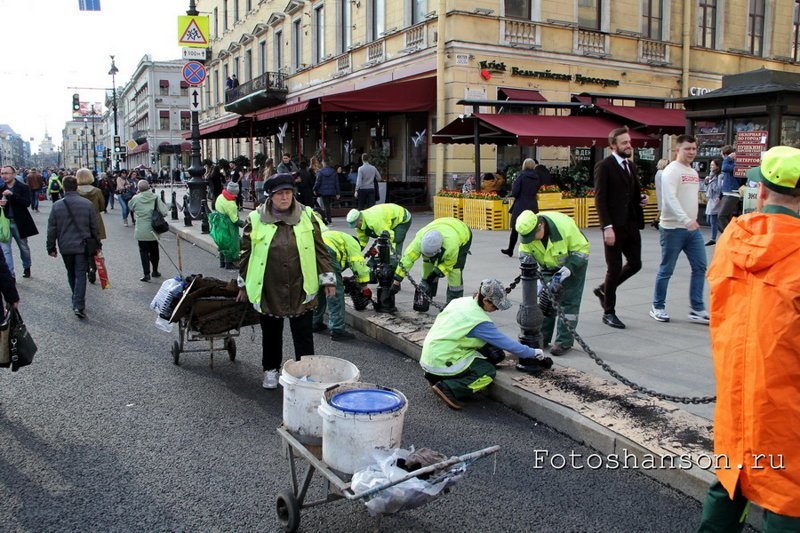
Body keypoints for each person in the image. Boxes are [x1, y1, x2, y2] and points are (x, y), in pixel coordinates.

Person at [697, 146, 800, 531]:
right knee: (788, 496)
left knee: (730, 478)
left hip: (736, 393)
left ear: (761, 190)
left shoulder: (731, 241)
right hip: (786, 400)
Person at [236, 173, 335, 389]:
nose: (285, 197)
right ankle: (270, 370)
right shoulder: (255, 219)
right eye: (280, 193)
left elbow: (321, 251)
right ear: (270, 196)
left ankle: (305, 374)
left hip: (301, 285)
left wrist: (328, 280)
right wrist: (242, 284)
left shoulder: (308, 216)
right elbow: (245, 253)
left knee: (303, 334)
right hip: (268, 286)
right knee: (271, 333)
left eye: (288, 193)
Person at [420, 279, 548, 409]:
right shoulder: (480, 322)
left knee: (490, 348)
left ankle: (436, 377)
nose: (497, 309)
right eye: (495, 306)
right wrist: (533, 352)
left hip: (428, 358)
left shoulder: (459, 302)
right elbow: (508, 344)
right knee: (487, 371)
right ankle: (450, 388)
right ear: (486, 300)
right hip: (441, 361)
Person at [649, 134, 709, 325]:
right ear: (677, 150)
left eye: (694, 148)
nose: (691, 152)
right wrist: (685, 219)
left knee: (700, 267)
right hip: (672, 228)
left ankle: (697, 309)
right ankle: (657, 307)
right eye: (687, 149)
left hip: (692, 229)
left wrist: (692, 220)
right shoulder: (671, 171)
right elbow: (670, 199)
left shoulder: (691, 172)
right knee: (667, 269)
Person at [592, 127, 646, 330]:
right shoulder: (604, 166)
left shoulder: (631, 166)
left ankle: (603, 290)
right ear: (613, 146)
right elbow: (600, 199)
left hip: (631, 223)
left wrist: (640, 199)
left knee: (635, 263)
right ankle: (609, 312)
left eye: (629, 142)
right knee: (613, 269)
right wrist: (607, 227)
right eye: (624, 143)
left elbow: (631, 194)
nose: (628, 145)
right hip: (613, 226)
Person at [515, 210, 590, 356]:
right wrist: (534, 279)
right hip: (547, 266)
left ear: (541, 226)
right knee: (545, 300)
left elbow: (582, 250)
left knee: (569, 303)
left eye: (533, 236)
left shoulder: (565, 226)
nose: (531, 240)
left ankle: (564, 342)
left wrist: (568, 269)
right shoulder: (527, 233)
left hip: (572, 265)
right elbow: (524, 255)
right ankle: (543, 336)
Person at [46, 176, 99, 319]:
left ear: (63, 187)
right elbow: (94, 227)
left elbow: (52, 228)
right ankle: (78, 304)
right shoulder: (87, 204)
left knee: (71, 273)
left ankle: (75, 299)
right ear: (76, 187)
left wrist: (51, 246)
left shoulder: (57, 205)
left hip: (65, 245)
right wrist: (97, 243)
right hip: (82, 245)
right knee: (81, 274)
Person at [392, 217, 472, 304]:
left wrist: (436, 273)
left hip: (461, 232)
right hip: (441, 224)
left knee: (455, 272)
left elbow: (449, 263)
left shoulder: (451, 246)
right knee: (427, 264)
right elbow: (407, 259)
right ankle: (427, 294)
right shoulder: (419, 240)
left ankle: (454, 303)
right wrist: (397, 281)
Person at [312, 230, 371, 341]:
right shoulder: (353, 243)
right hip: (327, 254)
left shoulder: (339, 237)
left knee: (319, 289)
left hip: (313, 251)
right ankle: (337, 330)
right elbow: (358, 265)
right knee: (335, 293)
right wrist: (364, 286)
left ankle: (314, 322)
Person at [0, 165, 38, 279]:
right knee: (6, 250)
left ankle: (27, 266)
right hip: (5, 223)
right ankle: (11, 274)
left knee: (23, 247)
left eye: (7, 173)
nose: (4, 176)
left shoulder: (23, 187)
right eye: (2, 173)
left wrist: (13, 195)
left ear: (14, 174)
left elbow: (27, 203)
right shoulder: (1, 188)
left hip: (19, 222)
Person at [127, 180, 169, 282]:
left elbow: (130, 207)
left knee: (143, 252)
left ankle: (146, 274)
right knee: (155, 250)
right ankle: (155, 270)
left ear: (138, 189)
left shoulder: (136, 199)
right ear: (149, 187)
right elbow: (164, 211)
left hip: (141, 229)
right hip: (154, 229)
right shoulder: (155, 197)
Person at [502, 158, 540, 257]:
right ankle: (533, 250)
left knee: (515, 228)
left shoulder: (521, 176)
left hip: (521, 204)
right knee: (532, 228)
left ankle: (510, 249)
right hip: (532, 204)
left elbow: (515, 192)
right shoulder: (536, 177)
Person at [76, 168, 107, 284]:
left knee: (82, 247)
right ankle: (93, 268)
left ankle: (85, 267)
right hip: (95, 221)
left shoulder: (75, 191)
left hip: (79, 222)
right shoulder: (97, 191)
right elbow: (102, 206)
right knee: (95, 246)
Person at [346, 203, 412, 252]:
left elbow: (390, 236)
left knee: (396, 240)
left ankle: (396, 264)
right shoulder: (359, 225)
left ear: (360, 220)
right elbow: (362, 240)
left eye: (355, 224)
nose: (355, 227)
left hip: (402, 217)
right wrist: (357, 251)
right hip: (387, 220)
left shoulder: (375, 222)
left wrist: (391, 255)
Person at [211, 181, 244, 269]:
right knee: (231, 243)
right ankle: (229, 264)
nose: (236, 196)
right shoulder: (231, 204)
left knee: (222, 243)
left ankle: (222, 262)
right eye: (236, 193)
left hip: (218, 223)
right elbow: (235, 220)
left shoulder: (220, 197)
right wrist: (245, 224)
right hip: (228, 225)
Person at [717, 145, 739, 232]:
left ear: (726, 155)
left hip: (732, 193)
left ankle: (729, 234)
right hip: (727, 193)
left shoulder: (733, 164)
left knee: (721, 216)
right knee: (727, 216)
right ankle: (731, 235)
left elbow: (724, 168)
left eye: (722, 155)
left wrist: (728, 158)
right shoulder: (730, 163)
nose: (722, 158)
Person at [312, 160, 340, 224]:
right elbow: (336, 183)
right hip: (331, 191)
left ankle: (327, 218)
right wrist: (338, 192)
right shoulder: (333, 172)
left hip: (323, 191)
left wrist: (314, 189)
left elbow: (318, 182)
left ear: (324, 164)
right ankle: (329, 218)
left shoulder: (321, 172)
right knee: (329, 205)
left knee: (325, 205)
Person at [704, 158, 723, 246]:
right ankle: (724, 232)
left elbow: (719, 188)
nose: (711, 167)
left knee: (713, 219)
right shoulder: (711, 175)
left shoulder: (720, 176)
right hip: (710, 198)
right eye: (711, 165)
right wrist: (707, 181)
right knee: (709, 220)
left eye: (712, 165)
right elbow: (706, 187)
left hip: (716, 198)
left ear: (717, 166)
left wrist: (712, 182)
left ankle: (713, 238)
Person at [651, 158, 669, 228]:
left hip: (660, 191)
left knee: (662, 208)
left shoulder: (658, 172)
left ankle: (656, 220)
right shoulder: (663, 173)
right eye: (667, 164)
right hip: (663, 192)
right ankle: (658, 221)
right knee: (663, 208)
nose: (668, 165)